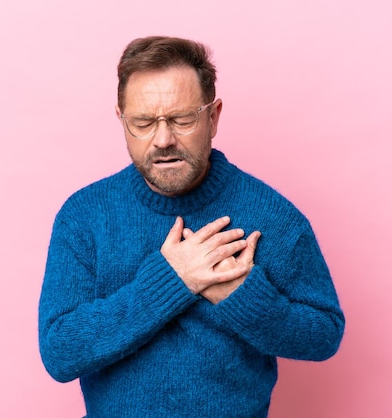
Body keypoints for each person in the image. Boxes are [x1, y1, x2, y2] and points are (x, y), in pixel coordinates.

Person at [38, 36, 345, 417]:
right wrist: (171, 281)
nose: (163, 139)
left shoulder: (275, 218)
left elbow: (324, 335)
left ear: (213, 117)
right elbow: (59, 352)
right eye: (143, 123)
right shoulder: (83, 216)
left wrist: (243, 298)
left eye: (181, 120)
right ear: (121, 119)